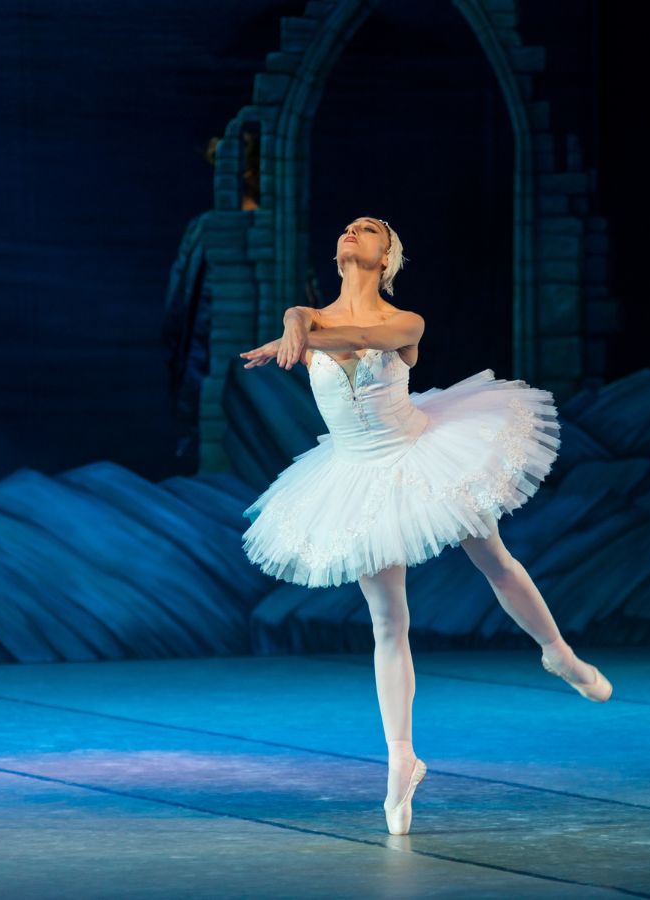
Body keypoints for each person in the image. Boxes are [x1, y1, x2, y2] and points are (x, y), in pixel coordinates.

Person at [239, 216, 612, 834]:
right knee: (389, 620)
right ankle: (401, 758)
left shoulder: (404, 323)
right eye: (349, 227)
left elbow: (356, 334)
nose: (354, 231)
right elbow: (306, 321)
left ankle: (558, 653)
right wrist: (294, 319)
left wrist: (302, 328)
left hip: (420, 451)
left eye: (370, 229)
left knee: (494, 558)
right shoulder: (307, 314)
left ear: (387, 258)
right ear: (338, 254)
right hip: (355, 474)